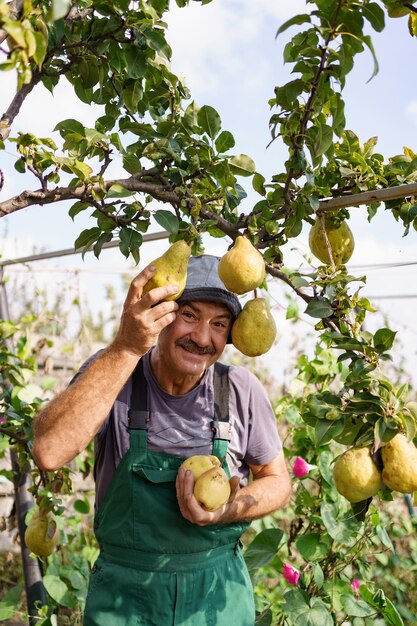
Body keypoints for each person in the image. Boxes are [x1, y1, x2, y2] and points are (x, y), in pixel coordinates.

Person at [32, 253, 292, 626]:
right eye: (189, 316)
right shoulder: (115, 374)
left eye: (219, 324)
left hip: (217, 598)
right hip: (125, 600)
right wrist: (125, 346)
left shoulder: (239, 390)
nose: (203, 338)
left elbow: (277, 480)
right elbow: (49, 451)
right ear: (162, 316)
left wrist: (228, 510)